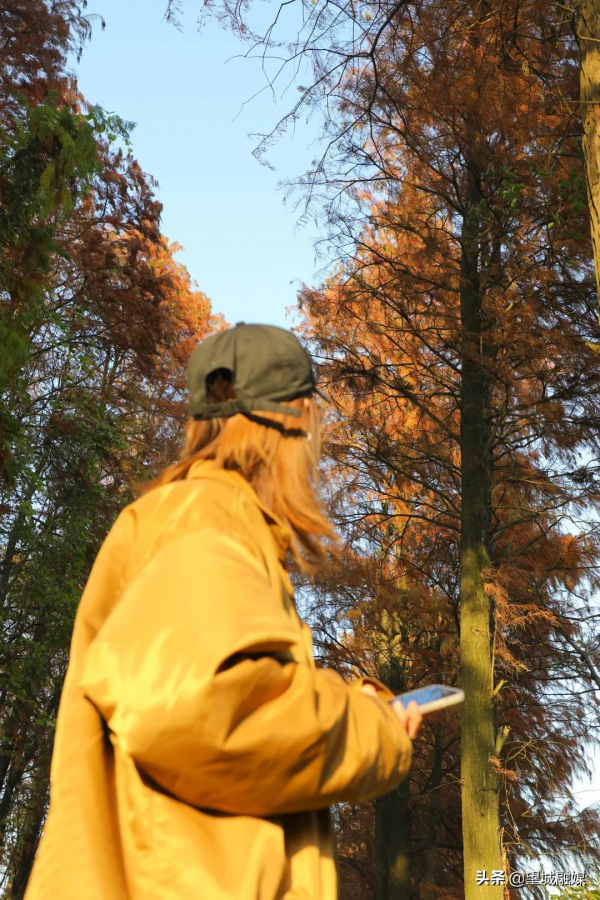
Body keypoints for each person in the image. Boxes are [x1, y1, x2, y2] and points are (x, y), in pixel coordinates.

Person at [25, 323, 422, 900]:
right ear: (296, 419)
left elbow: (193, 692)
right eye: (315, 418)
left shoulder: (183, 521)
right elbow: (204, 712)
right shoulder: (208, 522)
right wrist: (372, 727)